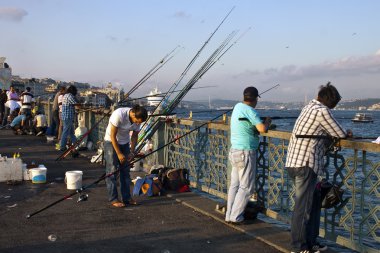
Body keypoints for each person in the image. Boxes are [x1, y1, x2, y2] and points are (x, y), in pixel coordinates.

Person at [285, 82, 352, 253]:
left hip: (294, 162)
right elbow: (339, 133)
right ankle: (299, 247)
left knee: (313, 204)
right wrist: (347, 134)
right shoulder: (322, 111)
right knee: (304, 208)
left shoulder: (308, 107)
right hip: (306, 165)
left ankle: (311, 241)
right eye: (334, 105)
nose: (333, 108)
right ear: (329, 101)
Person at [225, 86, 271, 224]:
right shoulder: (251, 111)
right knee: (246, 187)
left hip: (234, 151)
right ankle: (236, 217)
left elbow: (246, 123)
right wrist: (267, 122)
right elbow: (262, 129)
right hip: (246, 152)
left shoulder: (237, 107)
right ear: (256, 98)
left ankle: (229, 214)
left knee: (234, 185)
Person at [104, 104, 148, 207]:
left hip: (125, 143)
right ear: (133, 114)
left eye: (139, 122)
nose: (137, 123)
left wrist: (132, 152)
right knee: (112, 170)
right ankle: (114, 199)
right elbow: (113, 136)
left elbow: (134, 136)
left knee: (125, 171)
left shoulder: (138, 119)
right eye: (137, 121)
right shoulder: (119, 114)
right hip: (111, 142)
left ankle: (127, 198)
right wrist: (119, 154)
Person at [59, 85, 80, 151]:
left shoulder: (65, 95)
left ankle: (76, 145)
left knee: (71, 133)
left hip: (65, 116)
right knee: (65, 132)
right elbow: (76, 103)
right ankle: (62, 147)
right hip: (68, 116)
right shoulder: (69, 96)